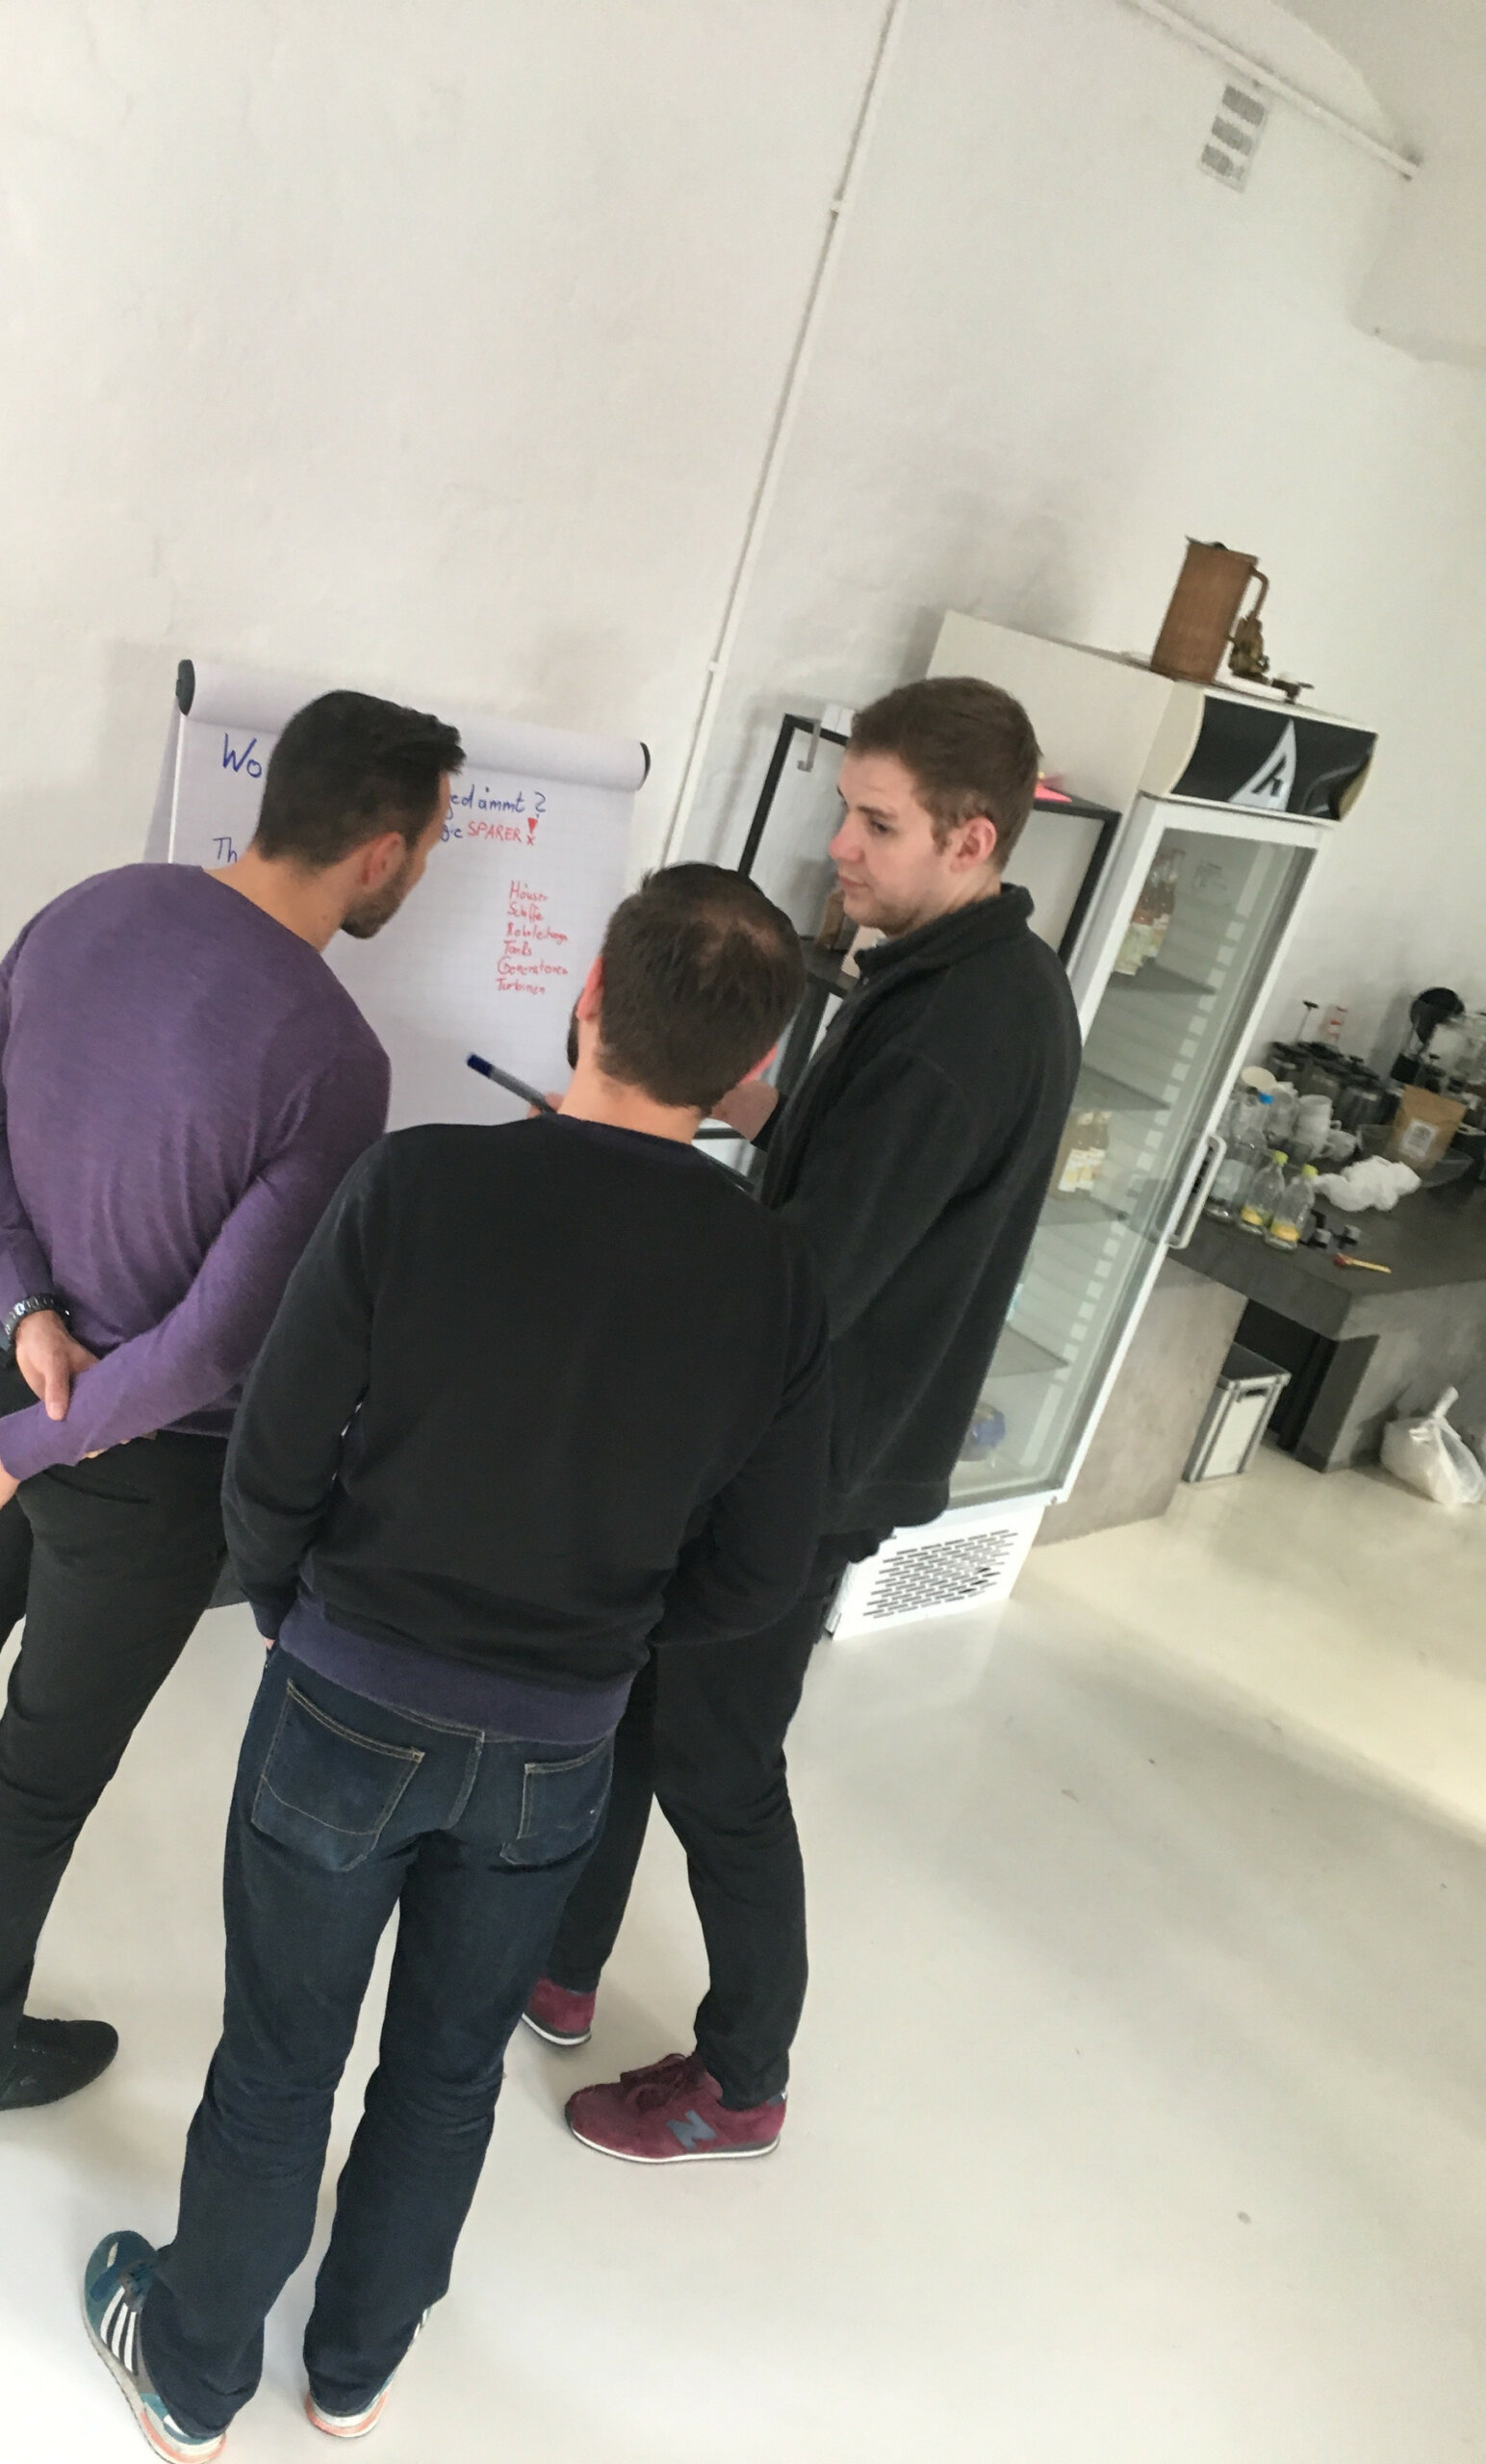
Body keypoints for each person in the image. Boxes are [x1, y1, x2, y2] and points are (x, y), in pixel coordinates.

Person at [79, 864, 830, 2460]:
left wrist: (288, 1603)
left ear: (590, 998)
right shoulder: (772, 1273)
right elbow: (766, 1567)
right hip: (557, 1744)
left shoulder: (416, 1184)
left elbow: (272, 1457)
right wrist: (612, 1643)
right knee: (447, 2072)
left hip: (349, 1688)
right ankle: (353, 2371)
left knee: (280, 2057)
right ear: (752, 1070)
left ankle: (194, 2373)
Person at [0, 688, 462, 2130]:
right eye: (436, 842)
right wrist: (34, 1432)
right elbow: (212, 1349)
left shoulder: (89, 910)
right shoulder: (334, 1060)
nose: (430, 868)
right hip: (139, 1471)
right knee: (42, 1768)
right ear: (381, 851)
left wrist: (24, 1321)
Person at [530, 675, 1082, 2164]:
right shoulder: (946, 977)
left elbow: (816, 1276)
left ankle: (743, 2078)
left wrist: (643, 1239)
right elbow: (860, 1181)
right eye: (847, 809)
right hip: (807, 1433)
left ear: (971, 839)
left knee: (718, 1760)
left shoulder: (963, 1026)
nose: (842, 846)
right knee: (640, 1703)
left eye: (877, 823)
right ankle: (561, 1963)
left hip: (815, 1460)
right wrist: (747, 1105)